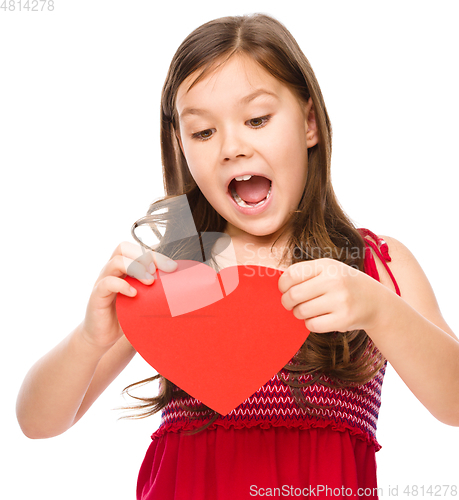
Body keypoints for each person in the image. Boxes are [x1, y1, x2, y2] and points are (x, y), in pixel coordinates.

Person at [16, 13, 459, 500]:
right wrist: (88, 338)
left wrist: (379, 308)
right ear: (182, 148)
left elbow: (454, 404)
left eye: (257, 119)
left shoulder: (373, 263)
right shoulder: (178, 273)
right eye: (203, 133)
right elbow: (37, 423)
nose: (231, 147)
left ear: (310, 122)